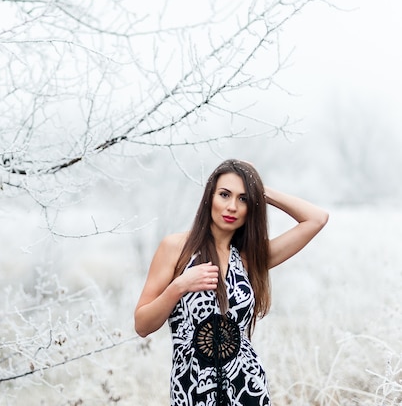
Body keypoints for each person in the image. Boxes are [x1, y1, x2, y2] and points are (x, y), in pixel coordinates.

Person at [134, 159, 328, 405]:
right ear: (209, 197)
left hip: (247, 389)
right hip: (192, 392)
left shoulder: (250, 258)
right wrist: (179, 286)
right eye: (224, 195)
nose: (232, 206)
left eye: (243, 198)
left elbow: (317, 219)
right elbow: (142, 325)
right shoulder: (176, 249)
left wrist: (260, 189)